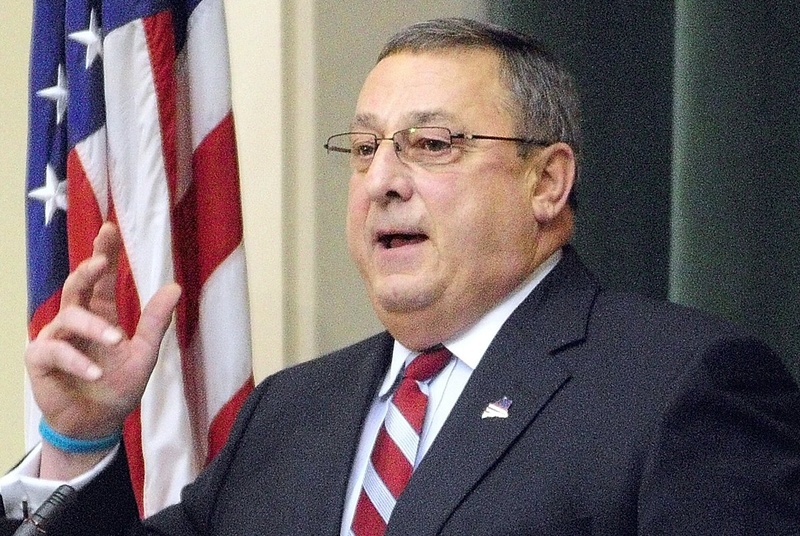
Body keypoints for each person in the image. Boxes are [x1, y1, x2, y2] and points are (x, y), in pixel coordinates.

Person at [2, 17, 799, 536]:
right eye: (365, 147)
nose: (382, 178)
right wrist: (79, 439)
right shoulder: (290, 412)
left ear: (547, 182)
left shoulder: (676, 389)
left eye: (433, 144)